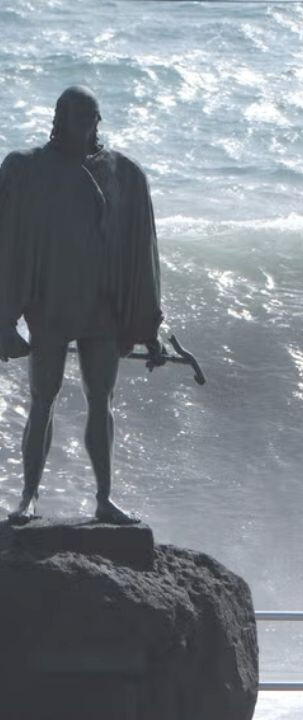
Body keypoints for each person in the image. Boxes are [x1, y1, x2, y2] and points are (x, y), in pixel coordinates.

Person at [0, 86, 164, 525]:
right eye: (78, 117)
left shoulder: (123, 174)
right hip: (50, 308)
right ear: (60, 118)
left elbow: (141, 254)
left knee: (101, 399)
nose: (87, 126)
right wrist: (5, 318)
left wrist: (147, 328)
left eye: (92, 117)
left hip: (101, 311)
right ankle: (28, 497)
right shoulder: (28, 170)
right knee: (42, 398)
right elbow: (8, 244)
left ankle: (105, 499)